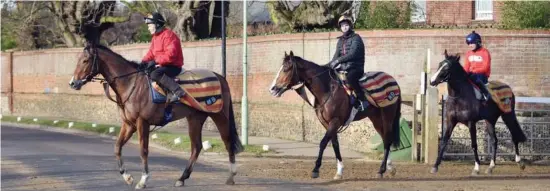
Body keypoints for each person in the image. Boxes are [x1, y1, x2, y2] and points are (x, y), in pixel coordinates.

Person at [141, 12, 186, 103]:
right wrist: (143, 62)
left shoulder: (169, 35)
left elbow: (170, 55)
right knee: (146, 71)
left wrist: (156, 62)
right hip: (162, 65)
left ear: (157, 24)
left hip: (173, 67)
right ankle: (166, 94)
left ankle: (178, 92)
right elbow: (151, 53)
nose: (148, 27)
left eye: (150, 25)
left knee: (155, 74)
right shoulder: (155, 37)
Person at [328, 15, 368, 111]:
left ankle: (363, 100)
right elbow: (336, 55)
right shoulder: (340, 40)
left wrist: (338, 61)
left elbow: (352, 54)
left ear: (350, 25)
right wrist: (328, 65)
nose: (344, 27)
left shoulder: (356, 38)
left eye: (346, 25)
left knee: (350, 77)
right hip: (344, 67)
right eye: (342, 26)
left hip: (356, 68)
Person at [463, 31, 492, 102]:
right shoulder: (468, 53)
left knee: (476, 78)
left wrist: (473, 71)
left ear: (478, 42)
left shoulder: (485, 52)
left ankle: (486, 95)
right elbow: (466, 67)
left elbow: (485, 68)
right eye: (469, 44)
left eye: (472, 43)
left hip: (481, 75)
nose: (470, 45)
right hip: (471, 74)